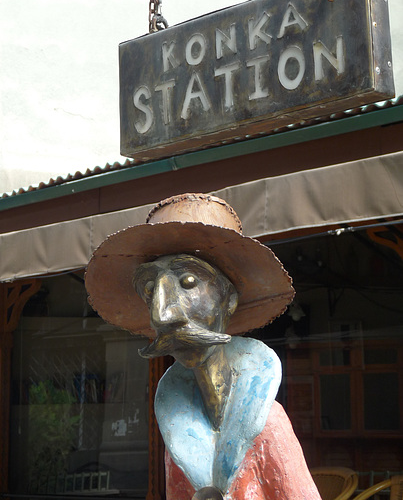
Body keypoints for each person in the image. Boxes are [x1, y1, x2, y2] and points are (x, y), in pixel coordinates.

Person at [85, 193, 321, 500]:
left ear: (228, 300)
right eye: (150, 289)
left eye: (187, 282)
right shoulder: (179, 434)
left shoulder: (267, 425)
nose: (163, 314)